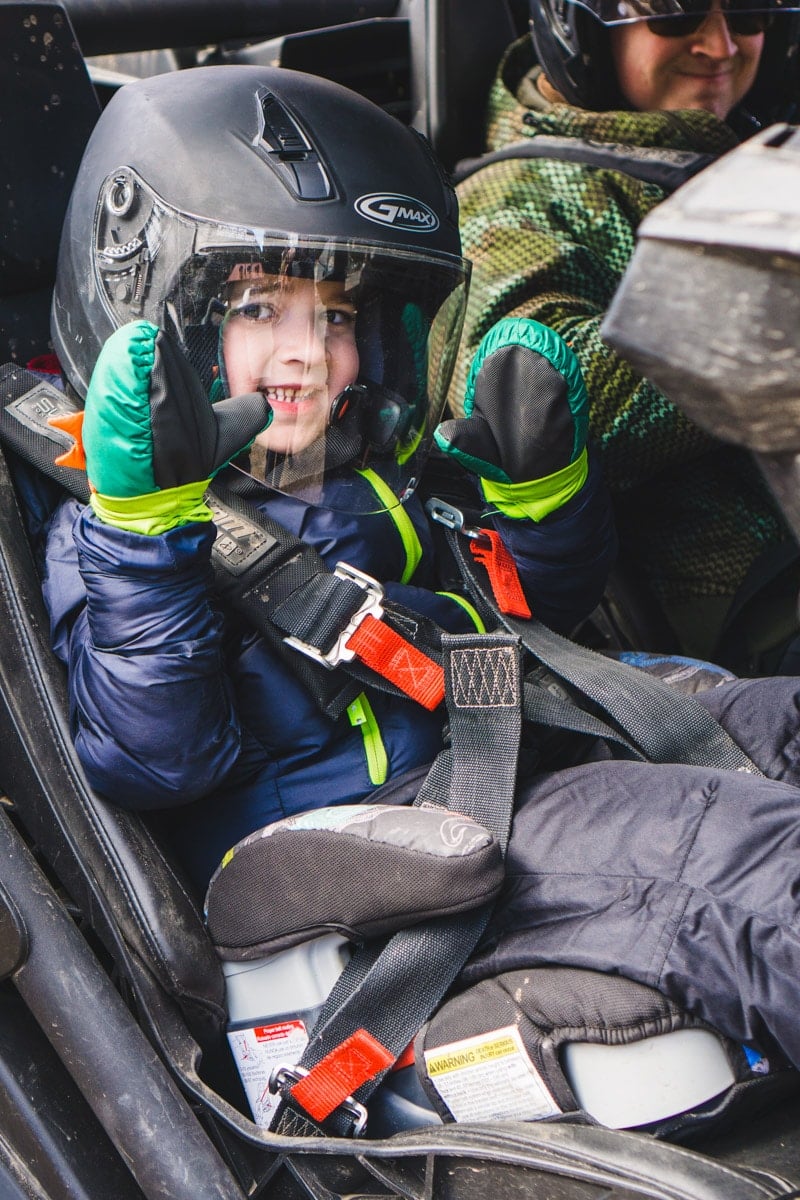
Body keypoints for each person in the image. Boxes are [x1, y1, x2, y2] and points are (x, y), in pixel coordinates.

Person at [38, 64, 616, 894]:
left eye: (338, 316)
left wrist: (542, 504)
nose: (310, 351)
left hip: (496, 775)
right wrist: (146, 535)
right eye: (258, 306)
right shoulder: (108, 538)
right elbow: (158, 762)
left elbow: (528, 625)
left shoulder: (374, 469)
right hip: (336, 868)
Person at [450, 0, 800, 672]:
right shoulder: (511, 199)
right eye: (676, 12)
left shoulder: (736, 143)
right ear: (576, 23)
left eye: (751, 9)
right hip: (743, 629)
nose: (721, 44)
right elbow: (543, 404)